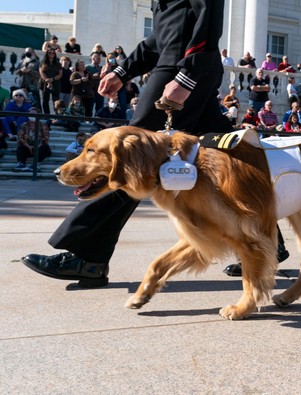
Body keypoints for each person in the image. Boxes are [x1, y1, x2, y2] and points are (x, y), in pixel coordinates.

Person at [21, 0, 263, 288]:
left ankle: (88, 255)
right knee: (230, 151)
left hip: (182, 70)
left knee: (128, 158)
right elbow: (161, 37)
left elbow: (207, 22)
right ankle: (267, 235)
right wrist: (123, 71)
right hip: (187, 69)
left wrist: (186, 77)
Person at [14, 106, 52, 172]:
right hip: (28, 147)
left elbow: (45, 138)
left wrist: (37, 147)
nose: (32, 115)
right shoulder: (24, 125)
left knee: (45, 147)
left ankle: (35, 165)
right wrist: (28, 146)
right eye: (30, 113)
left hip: (39, 147)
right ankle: (21, 164)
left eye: (34, 114)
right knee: (20, 148)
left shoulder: (43, 125)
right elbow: (20, 137)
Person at [39, 48, 63, 114]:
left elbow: (60, 74)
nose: (51, 54)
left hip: (55, 83)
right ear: (47, 53)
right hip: (45, 83)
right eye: (49, 53)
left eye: (53, 53)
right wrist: (47, 80)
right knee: (45, 100)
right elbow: (41, 72)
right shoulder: (43, 62)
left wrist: (52, 79)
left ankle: (57, 115)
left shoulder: (58, 64)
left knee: (56, 100)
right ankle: (46, 115)